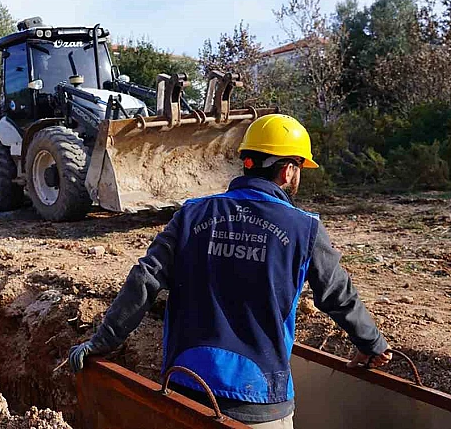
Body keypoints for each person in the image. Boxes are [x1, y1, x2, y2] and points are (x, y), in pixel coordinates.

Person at [69, 114, 391, 428]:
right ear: (289, 170)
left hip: (184, 391)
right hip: (260, 401)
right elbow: (339, 296)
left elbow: (145, 278)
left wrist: (103, 342)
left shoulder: (191, 215)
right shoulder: (304, 229)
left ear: (247, 161)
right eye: (299, 168)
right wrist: (372, 345)